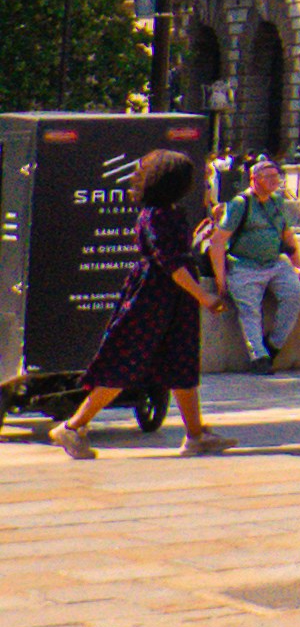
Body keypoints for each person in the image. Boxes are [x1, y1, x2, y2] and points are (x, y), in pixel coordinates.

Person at [52, 152, 227, 460]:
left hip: (175, 299)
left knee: (182, 361)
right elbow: (170, 264)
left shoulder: (173, 212)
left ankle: (196, 434)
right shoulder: (156, 216)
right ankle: (73, 426)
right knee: (126, 361)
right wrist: (204, 295)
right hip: (154, 296)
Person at [216, 160, 300, 373]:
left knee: (295, 294)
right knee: (250, 311)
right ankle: (259, 357)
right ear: (254, 179)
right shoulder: (240, 203)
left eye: (276, 177)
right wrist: (221, 279)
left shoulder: (278, 201)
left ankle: (274, 345)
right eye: (268, 177)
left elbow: (287, 235)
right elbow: (218, 241)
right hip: (244, 266)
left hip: (275, 263)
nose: (274, 181)